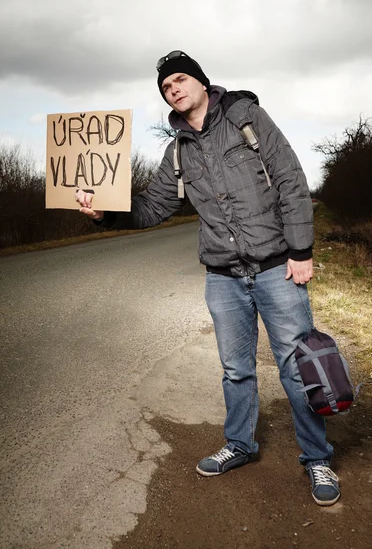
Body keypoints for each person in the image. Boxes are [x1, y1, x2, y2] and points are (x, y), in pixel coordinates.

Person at [76, 50, 340, 506]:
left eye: (180, 79)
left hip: (278, 266)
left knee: (297, 368)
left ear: (201, 83)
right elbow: (152, 207)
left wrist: (301, 251)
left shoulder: (247, 119)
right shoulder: (176, 150)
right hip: (223, 277)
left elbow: (292, 180)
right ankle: (240, 444)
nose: (173, 88)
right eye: (165, 87)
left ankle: (317, 456)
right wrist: (104, 213)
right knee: (236, 371)